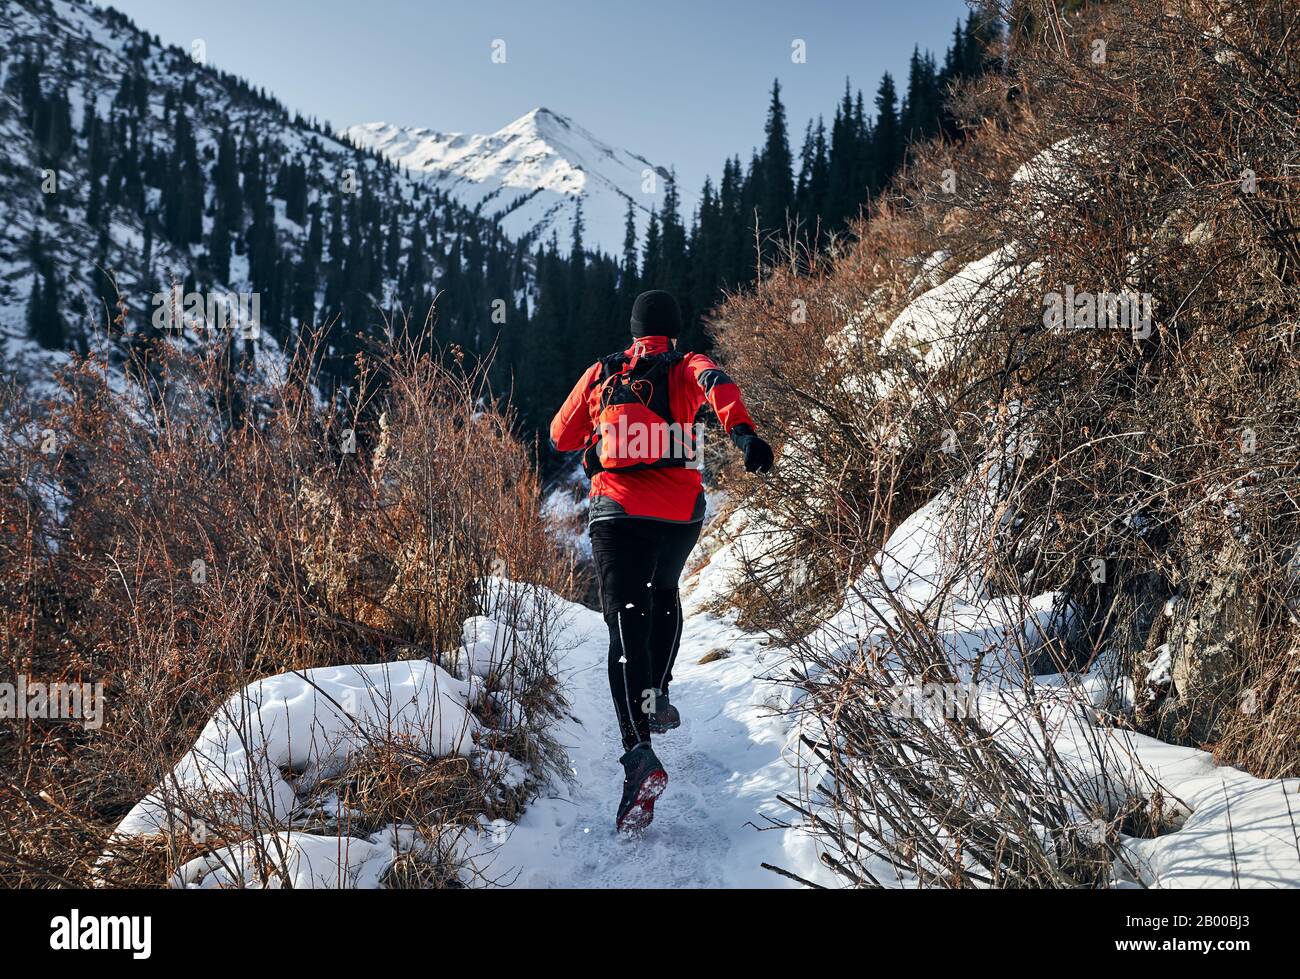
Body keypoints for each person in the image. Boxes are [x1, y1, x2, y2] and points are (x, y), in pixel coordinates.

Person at [549, 290, 773, 833]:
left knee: (625, 623)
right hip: (679, 513)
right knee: (664, 591)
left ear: (633, 330)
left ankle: (638, 753)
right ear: (674, 330)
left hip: (618, 511)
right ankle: (658, 694)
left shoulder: (605, 371)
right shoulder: (687, 365)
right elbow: (717, 385)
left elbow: (561, 437)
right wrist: (744, 435)